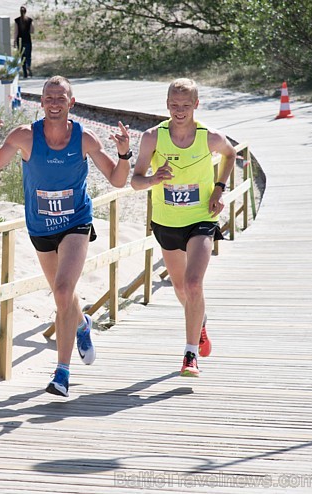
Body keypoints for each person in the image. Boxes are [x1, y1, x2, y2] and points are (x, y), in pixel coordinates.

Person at [0, 76, 131, 397]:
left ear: (71, 103)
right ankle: (83, 324)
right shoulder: (24, 136)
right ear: (42, 103)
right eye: (49, 97)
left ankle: (62, 374)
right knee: (64, 296)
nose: (55, 102)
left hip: (76, 222)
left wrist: (125, 154)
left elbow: (116, 180)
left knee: (61, 290)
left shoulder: (84, 139)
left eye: (61, 97)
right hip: (40, 228)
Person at [130, 78, 236, 378]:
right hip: (167, 221)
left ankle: (190, 355)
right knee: (179, 288)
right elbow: (136, 180)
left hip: (201, 218)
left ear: (196, 105)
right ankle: (200, 322)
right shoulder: (152, 137)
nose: (179, 111)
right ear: (167, 105)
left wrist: (218, 189)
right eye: (174, 106)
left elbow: (231, 155)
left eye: (186, 106)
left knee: (192, 284)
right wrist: (153, 179)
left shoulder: (209, 137)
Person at [14, 6, 34, 78]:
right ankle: (28, 65)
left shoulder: (17, 20)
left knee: (22, 57)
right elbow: (32, 31)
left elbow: (16, 32)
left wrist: (14, 41)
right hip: (28, 40)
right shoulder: (29, 20)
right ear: (26, 11)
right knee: (28, 56)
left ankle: (25, 73)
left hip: (20, 41)